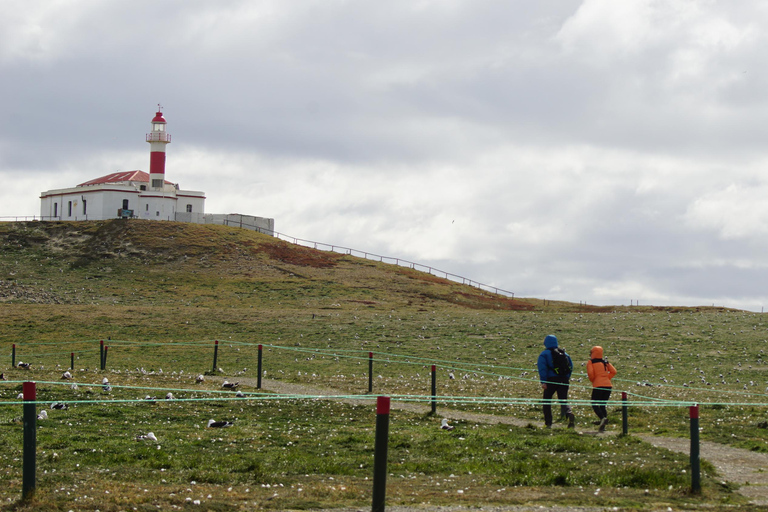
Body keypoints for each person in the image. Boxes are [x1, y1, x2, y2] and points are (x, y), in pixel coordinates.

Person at [537, 334, 575, 429]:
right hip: (564, 380)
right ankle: (569, 413)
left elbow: (542, 368)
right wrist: (566, 377)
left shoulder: (544, 354)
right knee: (563, 399)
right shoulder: (564, 354)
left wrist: (543, 381)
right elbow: (570, 367)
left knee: (547, 401)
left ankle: (548, 423)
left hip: (551, 380)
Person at [587, 346, 617, 432]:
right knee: (602, 405)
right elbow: (614, 371)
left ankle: (602, 418)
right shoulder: (605, 362)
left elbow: (590, 373)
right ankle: (603, 422)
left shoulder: (591, 362)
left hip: (598, 385)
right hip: (608, 385)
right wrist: (607, 378)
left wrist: (594, 381)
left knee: (594, 403)